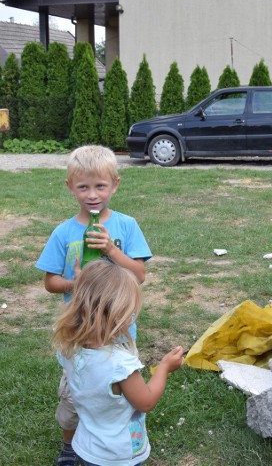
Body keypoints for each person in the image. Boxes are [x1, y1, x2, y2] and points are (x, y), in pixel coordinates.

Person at [36, 144, 152, 466]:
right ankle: (69, 446)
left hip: (119, 332)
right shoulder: (64, 232)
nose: (92, 195)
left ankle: (124, 444)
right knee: (74, 396)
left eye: (100, 186)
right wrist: (77, 283)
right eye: (83, 186)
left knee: (123, 396)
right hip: (79, 335)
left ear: (115, 184)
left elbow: (139, 275)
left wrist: (112, 252)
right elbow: (50, 283)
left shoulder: (126, 227)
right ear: (70, 186)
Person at [52, 259, 184, 466]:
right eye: (130, 311)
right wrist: (165, 367)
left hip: (87, 447)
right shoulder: (121, 365)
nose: (132, 317)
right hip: (117, 455)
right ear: (116, 315)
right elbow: (146, 401)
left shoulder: (69, 347)